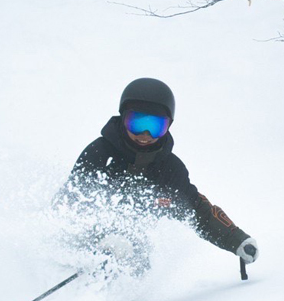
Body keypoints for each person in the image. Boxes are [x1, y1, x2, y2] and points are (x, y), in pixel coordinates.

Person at [54, 77, 258, 277]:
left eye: (155, 126)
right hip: (86, 252)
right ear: (123, 118)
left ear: (168, 126)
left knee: (136, 254)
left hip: (134, 257)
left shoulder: (169, 168)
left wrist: (237, 240)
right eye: (137, 123)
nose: (145, 134)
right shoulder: (100, 153)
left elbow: (197, 210)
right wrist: (98, 240)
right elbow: (70, 202)